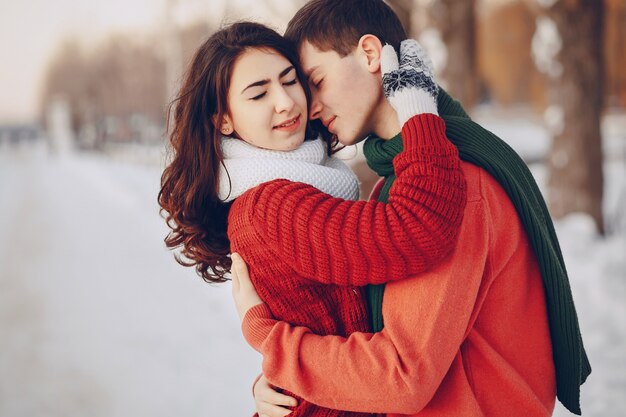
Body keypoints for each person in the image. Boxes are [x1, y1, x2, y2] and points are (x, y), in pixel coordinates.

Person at [231, 1, 591, 416]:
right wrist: (284, 381)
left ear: (369, 55)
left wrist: (274, 345)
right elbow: (368, 332)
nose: (308, 107)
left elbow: (400, 374)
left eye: (316, 80)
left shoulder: (453, 186)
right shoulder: (403, 182)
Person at [158, 21, 468, 417]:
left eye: (290, 81)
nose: (286, 102)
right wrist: (416, 108)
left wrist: (274, 358)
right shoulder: (271, 205)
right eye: (258, 94)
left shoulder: (302, 183)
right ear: (224, 120)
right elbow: (419, 226)